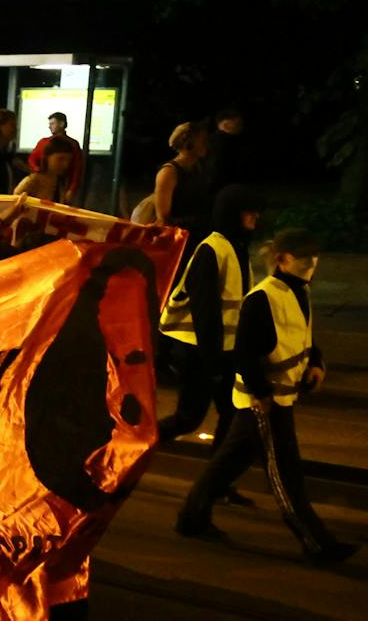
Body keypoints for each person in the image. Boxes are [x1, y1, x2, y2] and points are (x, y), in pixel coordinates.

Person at [176, 229, 356, 565]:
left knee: (228, 463)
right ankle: (317, 544)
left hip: (278, 398)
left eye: (314, 257)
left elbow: (302, 334)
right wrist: (261, 392)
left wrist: (316, 362)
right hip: (264, 402)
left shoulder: (300, 292)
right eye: (304, 257)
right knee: (286, 475)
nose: (312, 263)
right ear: (282, 259)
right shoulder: (262, 298)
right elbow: (244, 354)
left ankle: (191, 518)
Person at [157, 186, 260, 458]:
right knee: (189, 418)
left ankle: (217, 480)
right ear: (232, 214)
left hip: (219, 350)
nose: (256, 217)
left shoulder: (236, 247)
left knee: (232, 412)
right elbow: (206, 311)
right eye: (249, 212)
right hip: (197, 351)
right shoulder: (213, 250)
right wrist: (213, 360)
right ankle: (131, 447)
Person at [146, 121, 212, 239]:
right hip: (178, 239)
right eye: (202, 140)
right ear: (189, 143)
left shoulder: (198, 168)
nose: (207, 144)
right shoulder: (169, 173)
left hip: (194, 235)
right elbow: (164, 218)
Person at [26, 112, 83, 200]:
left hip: (63, 183)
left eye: (52, 123)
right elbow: (32, 159)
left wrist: (72, 189)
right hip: (44, 182)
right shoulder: (43, 142)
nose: (49, 126)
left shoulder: (72, 144)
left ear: (61, 124)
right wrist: (37, 170)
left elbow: (77, 169)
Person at [13, 135, 79, 202]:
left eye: (68, 160)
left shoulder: (60, 182)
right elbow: (14, 201)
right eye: (60, 159)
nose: (65, 164)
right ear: (47, 157)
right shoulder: (32, 181)